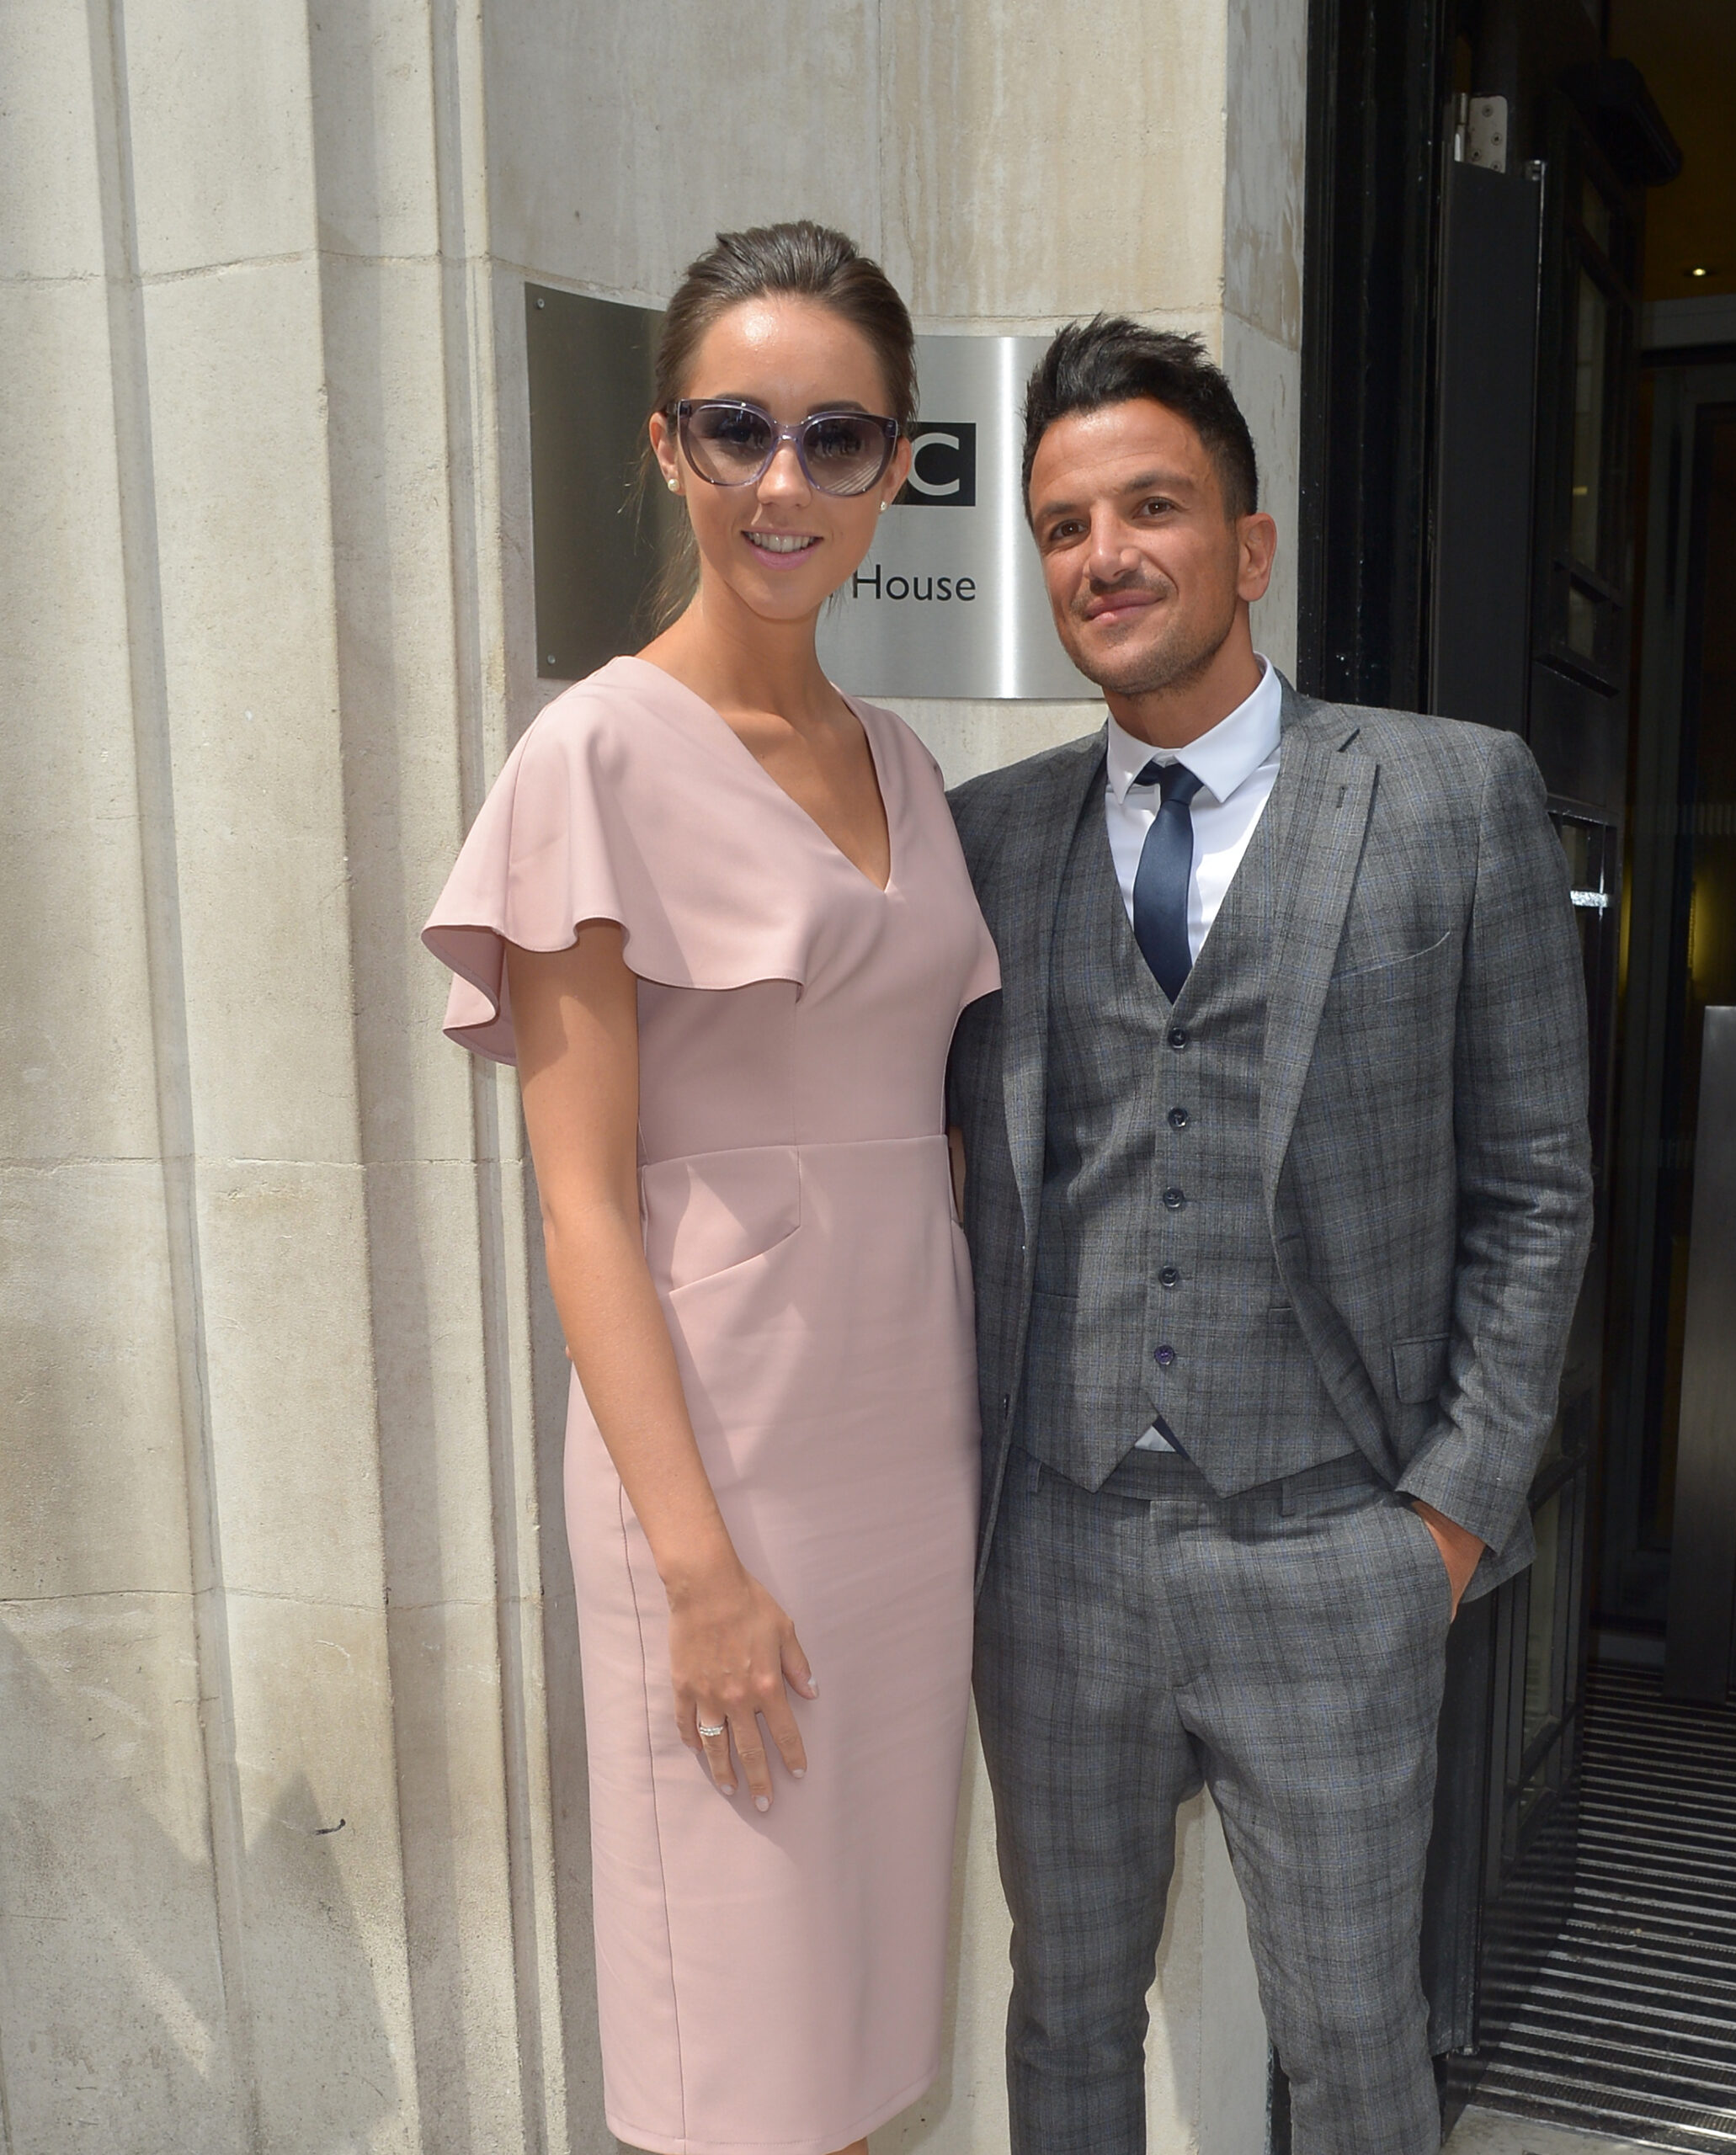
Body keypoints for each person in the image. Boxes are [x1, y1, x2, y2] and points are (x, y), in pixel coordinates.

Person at [946, 317, 1593, 2155]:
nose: (1106, 554)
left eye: (1151, 505)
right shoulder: (989, 837)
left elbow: (1540, 1184)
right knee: (1065, 2010)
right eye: (1066, 524)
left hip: (1337, 1544)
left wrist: (1444, 1517)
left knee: (1350, 2037)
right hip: (1055, 1553)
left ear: (1250, 542)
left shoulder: (1449, 794)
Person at [423, 222, 998, 2155]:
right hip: (724, 1487)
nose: (785, 482)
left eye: (838, 439)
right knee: (731, 2068)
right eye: (739, 428)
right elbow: (583, 1206)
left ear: (898, 466)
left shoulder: (908, 763)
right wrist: (697, 1572)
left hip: (903, 1480)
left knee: (847, 2045)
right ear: (669, 445)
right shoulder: (593, 749)